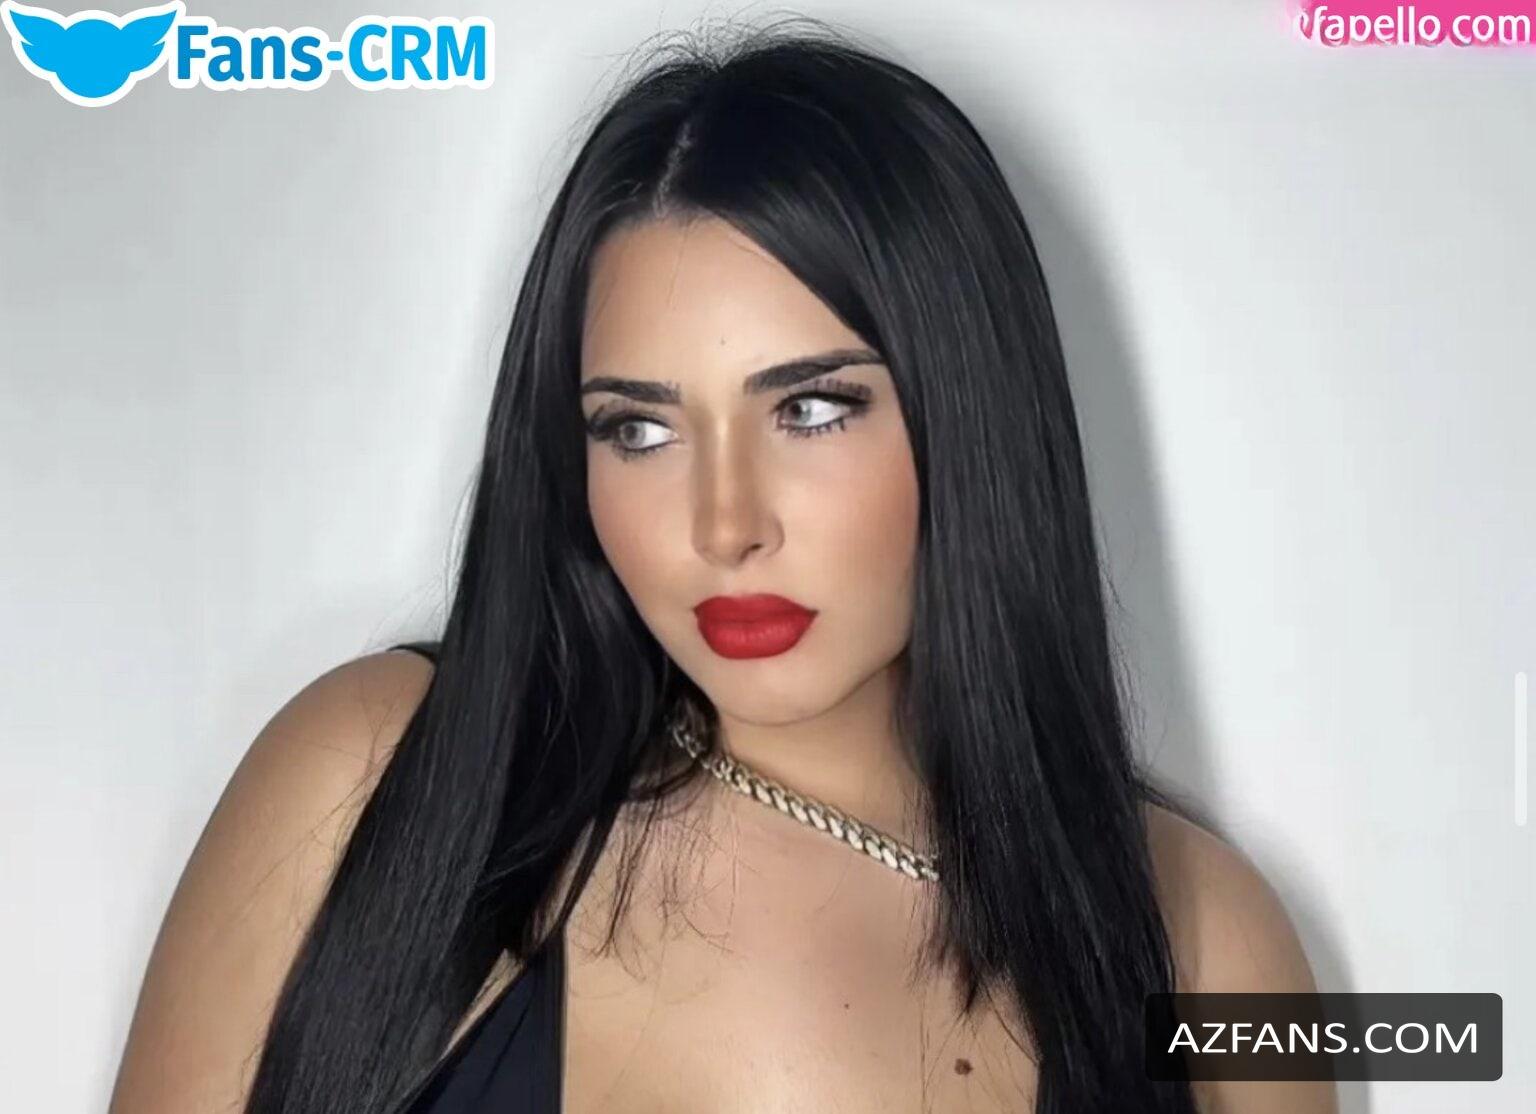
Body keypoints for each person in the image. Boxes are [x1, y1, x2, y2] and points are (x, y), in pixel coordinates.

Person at [108, 20, 1334, 1114]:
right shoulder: (377, 779)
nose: (723, 525)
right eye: (639, 429)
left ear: (970, 414)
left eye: (810, 410)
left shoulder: (1210, 946)